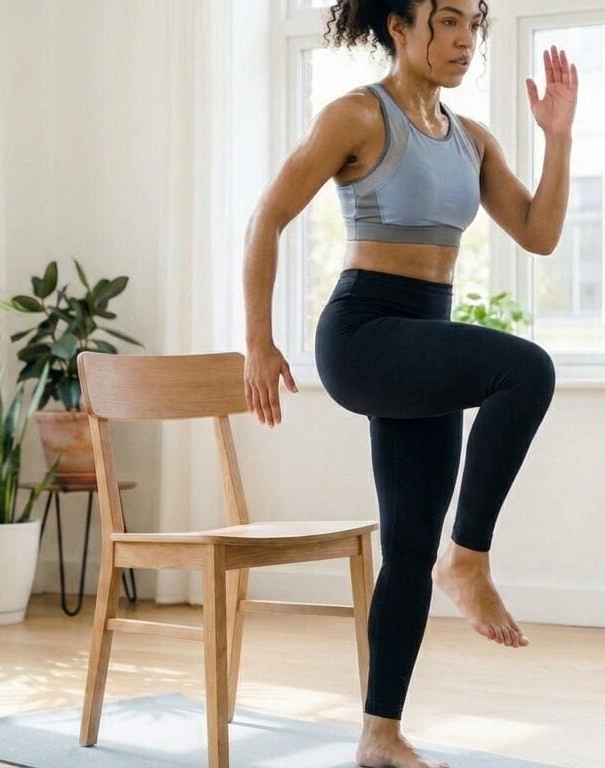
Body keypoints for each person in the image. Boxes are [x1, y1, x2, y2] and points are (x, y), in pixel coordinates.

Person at [242, 1, 576, 765]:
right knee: (525, 370)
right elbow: (267, 217)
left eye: (472, 26)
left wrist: (558, 138)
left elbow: (539, 233)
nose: (463, 40)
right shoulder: (358, 117)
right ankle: (470, 558)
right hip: (363, 334)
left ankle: (379, 734)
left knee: (407, 546)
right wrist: (258, 342)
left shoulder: (472, 140)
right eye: (447, 21)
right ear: (399, 26)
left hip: (420, 340)